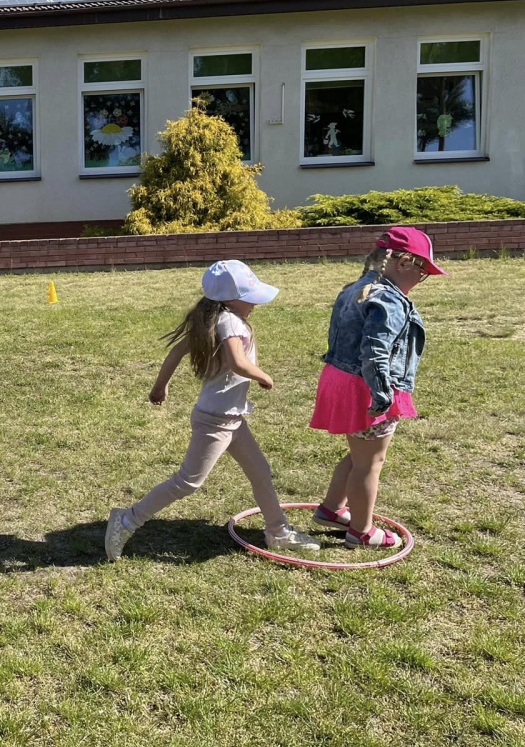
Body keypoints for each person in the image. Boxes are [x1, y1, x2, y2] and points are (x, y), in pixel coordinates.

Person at [106, 260, 320, 561]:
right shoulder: (229, 321)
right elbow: (237, 363)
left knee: (260, 472)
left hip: (230, 417)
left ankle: (278, 531)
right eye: (250, 298)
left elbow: (176, 352)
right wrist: (263, 376)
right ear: (230, 299)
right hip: (216, 420)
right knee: (188, 482)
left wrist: (160, 387)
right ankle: (126, 520)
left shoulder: (214, 318)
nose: (255, 305)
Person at [309, 226, 445, 548]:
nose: (422, 278)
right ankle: (361, 531)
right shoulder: (390, 299)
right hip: (366, 387)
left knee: (359, 454)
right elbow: (375, 349)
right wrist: (382, 393)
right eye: (422, 271)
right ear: (403, 262)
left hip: (341, 379)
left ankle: (331, 509)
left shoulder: (357, 287)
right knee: (371, 463)